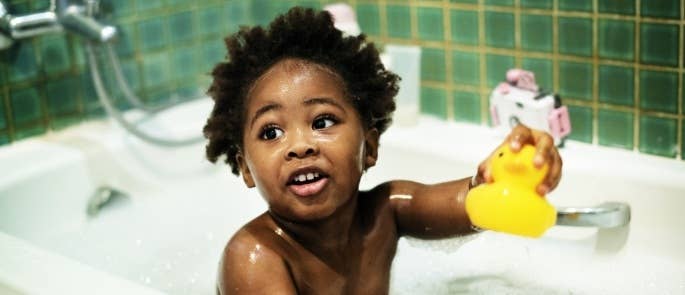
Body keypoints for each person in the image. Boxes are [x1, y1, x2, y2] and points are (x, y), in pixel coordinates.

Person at [203, 7, 562, 295]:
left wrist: (514, 175)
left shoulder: (386, 213)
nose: (300, 145)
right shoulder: (254, 258)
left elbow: (476, 201)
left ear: (370, 147)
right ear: (246, 169)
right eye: (271, 132)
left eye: (323, 122)